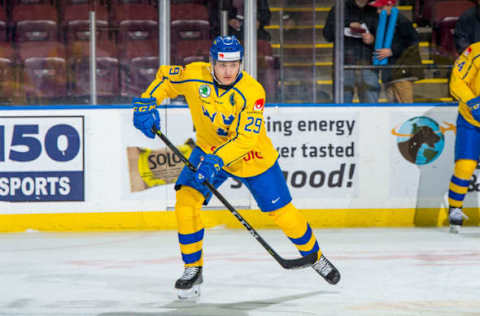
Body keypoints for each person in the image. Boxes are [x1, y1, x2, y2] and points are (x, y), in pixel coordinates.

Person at [132, 35, 340, 299]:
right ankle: (192, 269)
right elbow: (165, 78)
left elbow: (246, 139)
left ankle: (316, 257)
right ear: (211, 64)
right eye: (222, 65)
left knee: (281, 212)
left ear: (241, 63)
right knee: (186, 201)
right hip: (208, 150)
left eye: (234, 64)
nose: (228, 71)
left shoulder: (253, 91)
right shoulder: (195, 75)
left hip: (251, 156)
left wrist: (216, 160)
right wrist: (147, 102)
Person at [446, 41, 480, 233]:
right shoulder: (475, 51)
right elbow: (457, 82)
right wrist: (474, 103)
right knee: (465, 167)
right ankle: (455, 209)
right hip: (471, 121)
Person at [323, 0, 380, 103]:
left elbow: (384, 38)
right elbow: (327, 35)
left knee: (371, 107)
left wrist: (373, 39)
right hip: (344, 64)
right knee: (342, 105)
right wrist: (347, 24)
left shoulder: (375, 10)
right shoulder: (339, 9)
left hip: (368, 63)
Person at [369, 0, 423, 103]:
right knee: (392, 107)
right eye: (377, 8)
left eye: (381, 8)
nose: (378, 11)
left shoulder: (402, 21)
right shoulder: (382, 21)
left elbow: (412, 42)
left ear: (390, 5)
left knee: (405, 105)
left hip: (401, 72)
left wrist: (392, 51)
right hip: (389, 72)